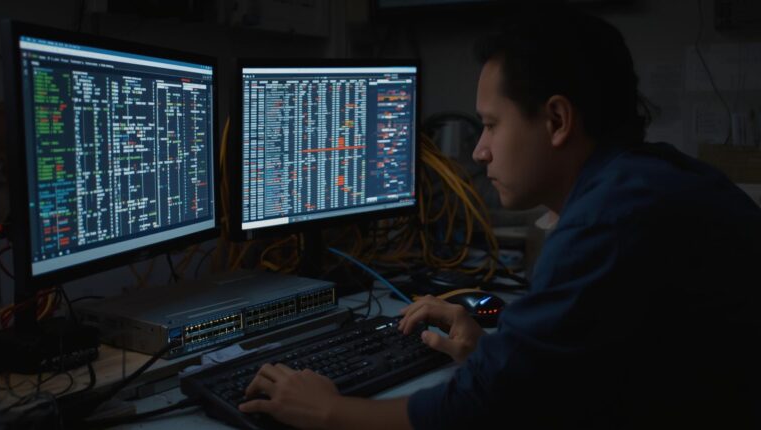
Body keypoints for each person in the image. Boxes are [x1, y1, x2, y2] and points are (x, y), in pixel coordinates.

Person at [238, 7, 761, 429]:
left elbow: (477, 412)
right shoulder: (659, 177)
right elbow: (591, 360)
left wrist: (330, 412)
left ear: (556, 119)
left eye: (491, 124)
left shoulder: (606, 223)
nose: (480, 150)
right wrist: (496, 349)